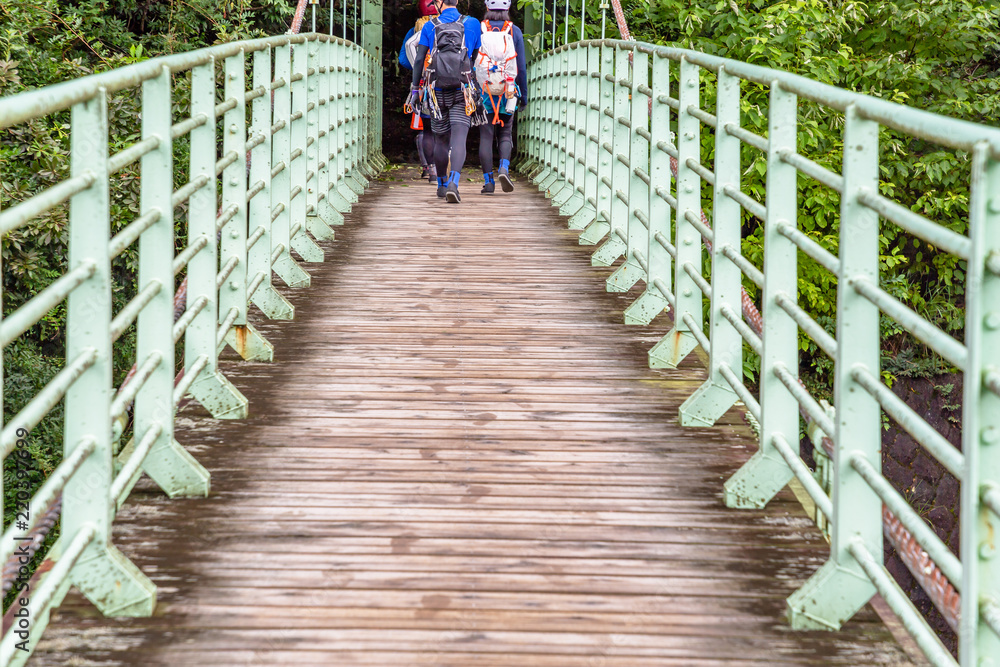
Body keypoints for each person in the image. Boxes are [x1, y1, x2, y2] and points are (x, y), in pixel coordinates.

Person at [406, 0, 482, 203]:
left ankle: (440, 183)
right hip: (463, 89)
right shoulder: (472, 23)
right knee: (459, 137)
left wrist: (415, 89)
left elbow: (420, 59)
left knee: (440, 138)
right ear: (456, 1)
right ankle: (453, 184)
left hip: (436, 90)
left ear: (439, 3)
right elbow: (473, 57)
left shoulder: (430, 25)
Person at [475, 0, 526, 194]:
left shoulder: (480, 29)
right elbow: (521, 68)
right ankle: (504, 168)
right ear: (508, 9)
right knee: (505, 134)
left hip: (485, 90)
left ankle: (489, 183)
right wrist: (525, 96)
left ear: (487, 8)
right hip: (508, 90)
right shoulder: (515, 31)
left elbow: (474, 61)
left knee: (486, 136)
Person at [399, 0, 439, 182]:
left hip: (421, 84)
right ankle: (442, 167)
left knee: (424, 128)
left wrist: (418, 67)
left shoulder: (415, 30)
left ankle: (427, 168)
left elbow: (403, 60)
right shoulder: (450, 25)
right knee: (445, 126)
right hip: (445, 82)